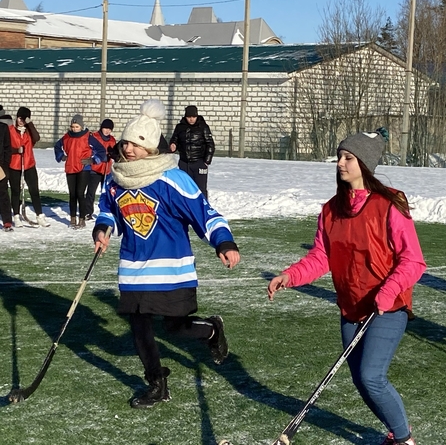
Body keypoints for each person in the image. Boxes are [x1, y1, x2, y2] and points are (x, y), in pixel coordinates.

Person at [267, 130, 426, 445]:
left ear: (364, 163)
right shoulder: (331, 209)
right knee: (360, 380)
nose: (340, 163)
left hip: (387, 306)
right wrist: (290, 276)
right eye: (339, 156)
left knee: (371, 376)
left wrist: (387, 291)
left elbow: (413, 261)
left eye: (348, 158)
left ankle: (404, 439)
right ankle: (396, 432)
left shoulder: (389, 203)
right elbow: (321, 256)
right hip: (351, 306)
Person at [92, 99, 240, 409]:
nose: (129, 149)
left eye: (136, 144)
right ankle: (157, 384)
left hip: (172, 268)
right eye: (126, 142)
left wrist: (223, 243)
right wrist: (102, 231)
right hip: (133, 267)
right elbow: (106, 211)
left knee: (174, 327)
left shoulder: (171, 179)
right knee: (139, 327)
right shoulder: (115, 180)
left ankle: (211, 329)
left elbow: (206, 213)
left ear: (151, 148)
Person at [54, 114, 106, 229]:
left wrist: (93, 160)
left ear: (81, 127)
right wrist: (61, 156)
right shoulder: (66, 137)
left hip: (84, 168)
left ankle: (82, 219)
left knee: (80, 194)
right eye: (73, 126)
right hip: (70, 167)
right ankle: (72, 218)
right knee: (72, 194)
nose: (74, 129)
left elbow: (101, 150)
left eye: (77, 126)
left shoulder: (88, 137)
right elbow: (57, 146)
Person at [7, 107, 49, 228]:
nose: (21, 121)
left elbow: (36, 138)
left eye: (24, 119)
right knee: (16, 191)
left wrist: (29, 123)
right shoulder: (10, 130)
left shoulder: (29, 131)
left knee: (34, 190)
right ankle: (16, 215)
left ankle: (39, 215)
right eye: (19, 118)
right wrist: (16, 150)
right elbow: (5, 147)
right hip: (14, 165)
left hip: (29, 163)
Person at [169, 105, 215, 199]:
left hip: (199, 162)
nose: (191, 119)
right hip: (184, 163)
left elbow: (210, 144)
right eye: (189, 117)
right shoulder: (179, 127)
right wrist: (173, 144)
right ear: (185, 117)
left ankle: (203, 207)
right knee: (184, 187)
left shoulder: (203, 127)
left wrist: (206, 161)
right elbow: (175, 140)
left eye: (193, 117)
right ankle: (186, 208)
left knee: (201, 188)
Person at [84, 118, 116, 220]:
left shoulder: (112, 140)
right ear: (101, 128)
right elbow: (90, 151)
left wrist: (112, 155)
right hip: (95, 169)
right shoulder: (94, 137)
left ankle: (107, 211)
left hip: (107, 170)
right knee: (91, 192)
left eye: (109, 129)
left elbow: (114, 152)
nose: (107, 131)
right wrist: (100, 157)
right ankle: (87, 212)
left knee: (107, 193)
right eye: (105, 128)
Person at [0, 105, 14, 231]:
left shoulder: (3, 128)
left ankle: (7, 221)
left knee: (3, 193)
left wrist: (4, 165)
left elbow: (7, 148)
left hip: (0, 166)